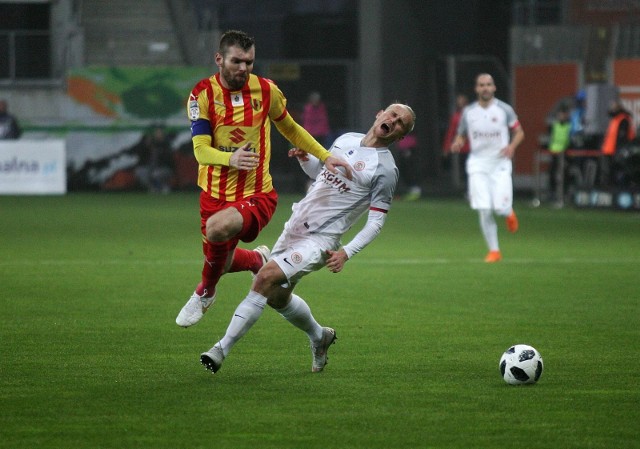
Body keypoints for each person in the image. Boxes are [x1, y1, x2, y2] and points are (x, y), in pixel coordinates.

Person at [199, 103, 416, 374]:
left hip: (321, 240)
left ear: (400, 136)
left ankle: (220, 349)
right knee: (277, 298)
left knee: (264, 278)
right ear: (379, 113)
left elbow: (376, 223)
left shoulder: (385, 169)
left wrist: (346, 252)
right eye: (393, 115)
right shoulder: (346, 139)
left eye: (400, 124)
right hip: (294, 227)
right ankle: (319, 335)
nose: (394, 122)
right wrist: (306, 159)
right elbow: (321, 175)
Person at [176, 30, 351, 327]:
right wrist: (229, 158)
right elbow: (200, 150)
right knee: (224, 262)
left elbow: (292, 129)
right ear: (219, 59)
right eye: (236, 61)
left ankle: (205, 291)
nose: (243, 68)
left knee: (217, 230)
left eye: (249, 62)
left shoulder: (266, 91)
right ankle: (257, 261)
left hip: (256, 194)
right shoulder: (202, 94)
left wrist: (325, 155)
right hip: (214, 193)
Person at [451, 73, 524, 263]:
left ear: (494, 88)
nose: (485, 88)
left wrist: (512, 147)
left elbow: (519, 132)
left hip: (499, 163)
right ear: (477, 89)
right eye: (481, 85)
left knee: (500, 208)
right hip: (478, 164)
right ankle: (494, 251)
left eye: (488, 84)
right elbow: (461, 134)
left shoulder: (504, 110)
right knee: (483, 208)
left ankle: (508, 212)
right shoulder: (469, 112)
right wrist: (458, 143)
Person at [600, 99, 636, 187]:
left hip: (616, 151)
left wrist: (619, 150)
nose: (611, 108)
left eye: (614, 107)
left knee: (617, 173)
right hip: (608, 150)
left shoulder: (623, 119)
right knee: (607, 173)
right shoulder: (615, 119)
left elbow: (622, 137)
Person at [133, 125, 175, 193]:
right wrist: (146, 146)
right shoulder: (148, 144)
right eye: (156, 133)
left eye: (159, 133)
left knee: (155, 174)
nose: (158, 134)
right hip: (150, 168)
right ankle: (152, 188)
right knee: (141, 172)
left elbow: (169, 161)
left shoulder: (166, 144)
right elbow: (140, 155)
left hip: (164, 168)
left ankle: (164, 186)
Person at [442, 94, 470, 189]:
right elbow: (450, 133)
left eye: (462, 102)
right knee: (466, 170)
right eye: (459, 102)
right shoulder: (456, 117)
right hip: (463, 148)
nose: (460, 104)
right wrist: (446, 148)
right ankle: (469, 190)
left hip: (474, 148)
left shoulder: (473, 115)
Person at [547, 105, 571, 206]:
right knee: (552, 174)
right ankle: (552, 194)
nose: (560, 116)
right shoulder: (555, 125)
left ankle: (564, 195)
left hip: (564, 154)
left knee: (564, 174)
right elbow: (552, 137)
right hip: (554, 153)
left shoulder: (569, 126)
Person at [394, 131, 421, 200]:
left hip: (409, 149)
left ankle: (415, 191)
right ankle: (412, 191)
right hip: (403, 149)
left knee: (410, 170)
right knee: (403, 170)